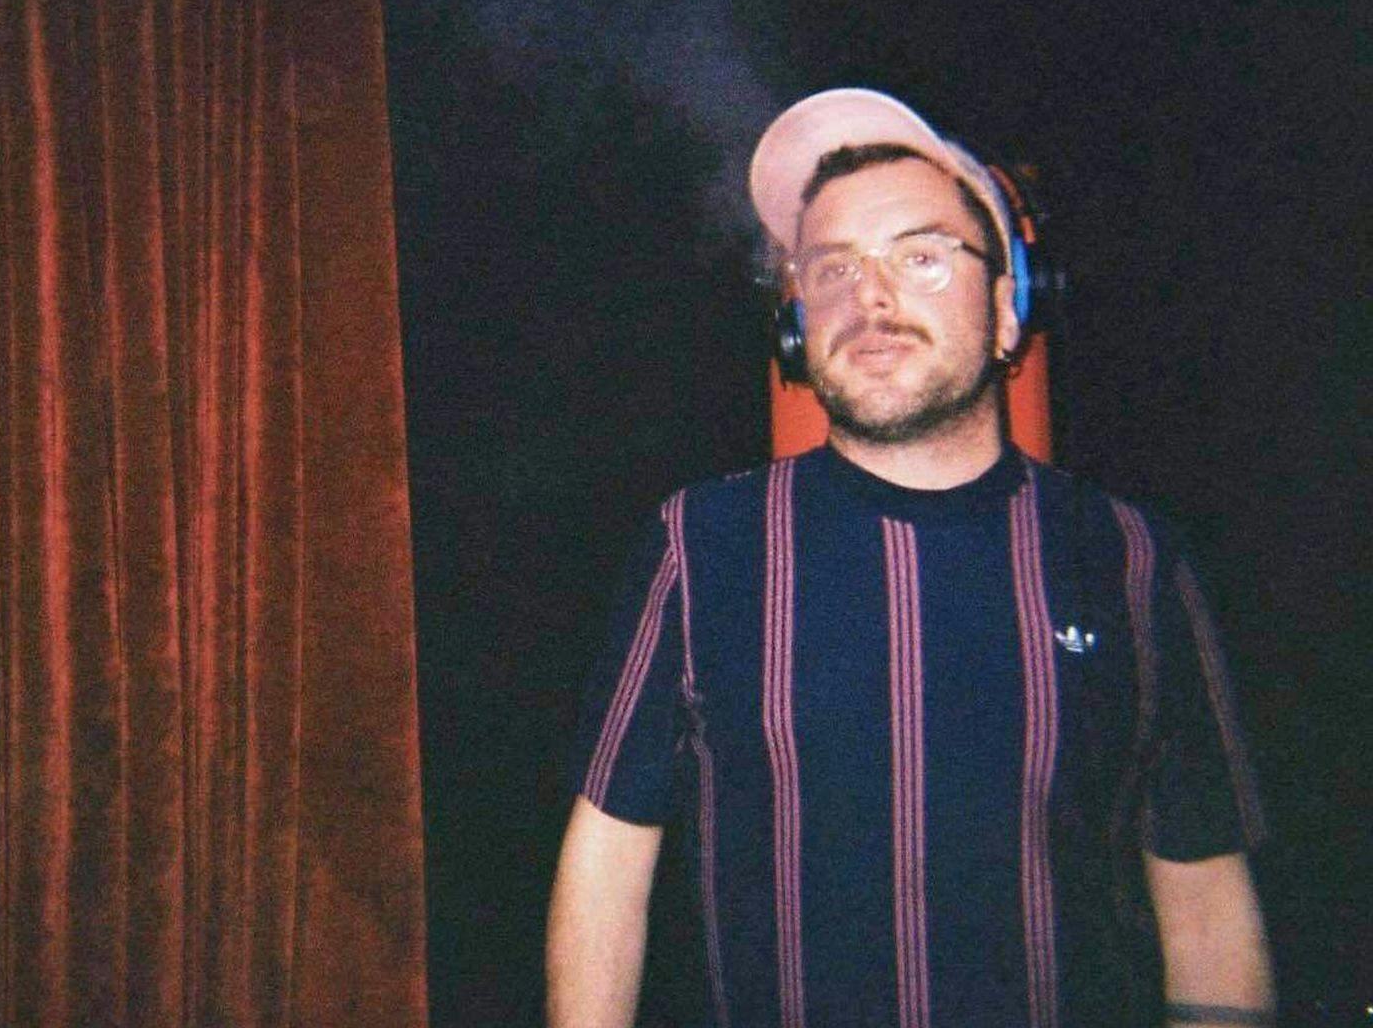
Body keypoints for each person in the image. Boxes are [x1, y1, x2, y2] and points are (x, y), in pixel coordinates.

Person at [546, 89, 1274, 1028]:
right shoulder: (700, 543)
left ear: (1009, 310)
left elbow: (1206, 892)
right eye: (832, 268)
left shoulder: (1132, 558)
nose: (871, 297)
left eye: (921, 257)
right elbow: (607, 858)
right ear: (796, 327)